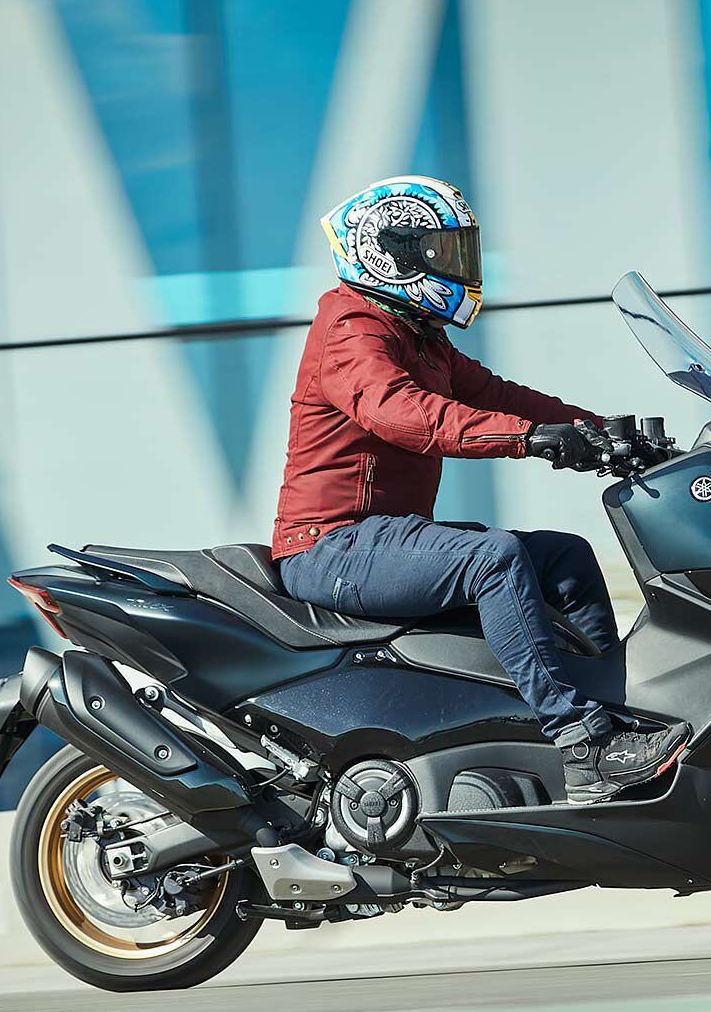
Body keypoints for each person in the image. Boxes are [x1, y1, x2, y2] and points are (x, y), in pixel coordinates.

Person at [271, 175, 688, 804]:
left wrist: (599, 432)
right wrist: (530, 439)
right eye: (438, 252)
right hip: (331, 546)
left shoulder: (419, 336)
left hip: (385, 536)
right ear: (388, 254)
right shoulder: (353, 329)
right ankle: (583, 746)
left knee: (565, 556)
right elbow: (401, 413)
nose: (456, 264)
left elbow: (497, 396)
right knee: (493, 562)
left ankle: (617, 716)